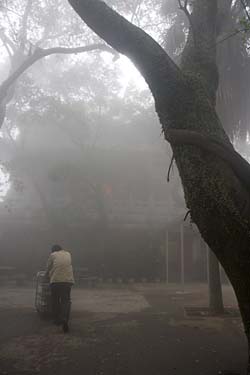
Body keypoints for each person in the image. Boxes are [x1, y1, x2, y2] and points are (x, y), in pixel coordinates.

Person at [45, 244, 74, 333]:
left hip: (56, 281)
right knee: (66, 301)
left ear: (53, 250)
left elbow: (48, 267)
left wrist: (46, 274)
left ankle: (57, 319)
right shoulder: (68, 254)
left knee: (55, 300)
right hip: (67, 281)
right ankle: (65, 318)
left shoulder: (53, 255)